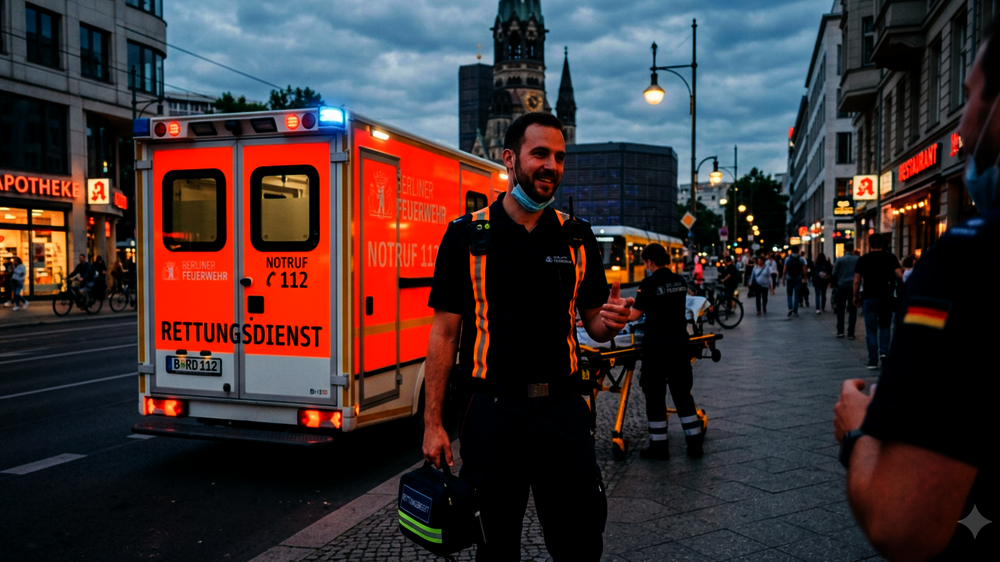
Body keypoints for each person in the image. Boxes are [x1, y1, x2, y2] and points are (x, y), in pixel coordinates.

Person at [422, 112, 632, 561]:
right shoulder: (466, 235)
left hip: (563, 412)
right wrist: (432, 423)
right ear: (510, 160)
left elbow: (592, 320)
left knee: (579, 542)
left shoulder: (577, 237)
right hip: (493, 414)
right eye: (540, 154)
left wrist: (608, 323)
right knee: (496, 547)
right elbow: (443, 334)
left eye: (559, 156)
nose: (551, 165)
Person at [834, 21, 999, 559]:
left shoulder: (969, 261)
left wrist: (860, 434)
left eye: (972, 94)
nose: (967, 118)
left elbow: (899, 523)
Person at [627, 243, 704, 460]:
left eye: (645, 262)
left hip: (656, 345)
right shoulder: (680, 281)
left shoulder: (648, 284)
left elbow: (634, 316)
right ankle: (694, 442)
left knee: (654, 393)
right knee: (682, 392)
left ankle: (659, 446)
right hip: (679, 342)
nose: (645, 266)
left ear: (650, 261)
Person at [853, 233, 902, 369]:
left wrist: (855, 296)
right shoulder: (890, 257)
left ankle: (872, 361)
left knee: (870, 330)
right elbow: (899, 276)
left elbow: (857, 280)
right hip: (886, 298)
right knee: (885, 326)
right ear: (883, 243)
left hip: (869, 297)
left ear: (869, 244)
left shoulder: (863, 259)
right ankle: (884, 353)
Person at [831, 249, 860, 338]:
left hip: (841, 286)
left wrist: (834, 283)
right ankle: (851, 332)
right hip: (853, 287)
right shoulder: (857, 260)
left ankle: (840, 331)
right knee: (852, 310)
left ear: (844, 250)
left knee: (840, 309)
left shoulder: (839, 260)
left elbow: (834, 273)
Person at [783, 250, 806, 317]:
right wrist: (805, 277)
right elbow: (804, 268)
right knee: (797, 294)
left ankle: (790, 308)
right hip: (798, 278)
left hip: (789, 278)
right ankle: (795, 310)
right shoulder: (801, 258)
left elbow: (784, 269)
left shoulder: (788, 258)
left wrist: (783, 278)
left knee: (789, 294)